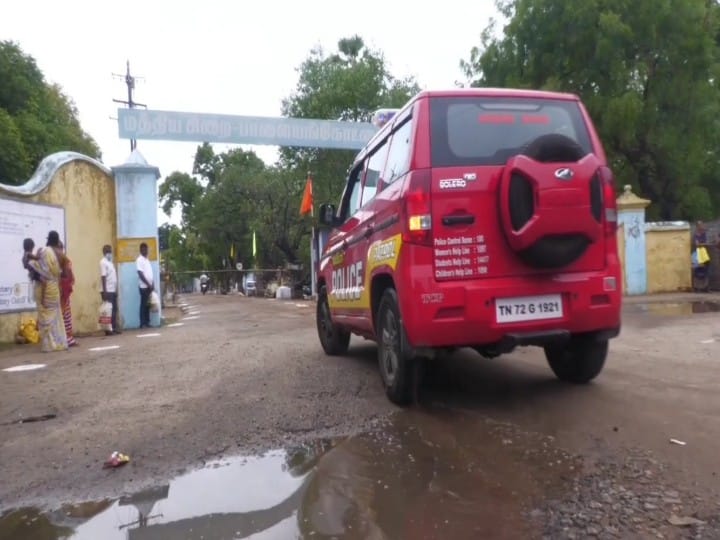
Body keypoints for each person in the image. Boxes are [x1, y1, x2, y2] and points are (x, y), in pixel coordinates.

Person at [27, 231, 68, 352]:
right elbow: (65, 274)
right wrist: (55, 274)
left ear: (48, 239)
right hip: (54, 288)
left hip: (42, 287)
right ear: (57, 240)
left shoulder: (43, 251)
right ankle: (56, 342)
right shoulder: (62, 255)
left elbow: (33, 265)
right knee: (54, 315)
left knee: (44, 313)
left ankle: (47, 345)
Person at [56, 240, 77, 347]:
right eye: (58, 248)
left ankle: (68, 338)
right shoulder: (54, 261)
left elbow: (71, 278)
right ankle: (62, 339)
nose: (59, 251)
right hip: (57, 293)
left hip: (64, 293)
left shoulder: (65, 261)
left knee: (66, 316)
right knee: (60, 316)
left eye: (61, 248)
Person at [100, 244, 121, 335]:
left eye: (110, 251)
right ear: (104, 252)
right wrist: (104, 291)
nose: (109, 253)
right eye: (108, 251)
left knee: (114, 309)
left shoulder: (110, 263)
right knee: (107, 311)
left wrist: (115, 290)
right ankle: (108, 330)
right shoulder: (103, 262)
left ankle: (113, 327)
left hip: (112, 289)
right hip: (107, 290)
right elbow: (103, 277)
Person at [136, 242, 154, 328]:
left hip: (149, 287)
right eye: (143, 249)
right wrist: (148, 284)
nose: (145, 250)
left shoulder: (147, 260)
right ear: (140, 250)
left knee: (148, 305)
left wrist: (152, 283)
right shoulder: (139, 260)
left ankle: (147, 322)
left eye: (146, 249)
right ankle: (142, 323)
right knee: (143, 305)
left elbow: (150, 273)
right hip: (143, 287)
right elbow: (140, 273)